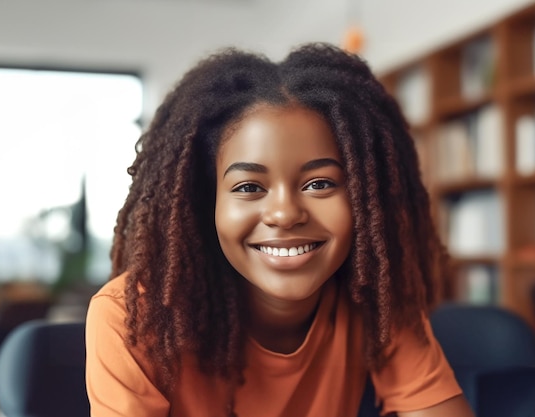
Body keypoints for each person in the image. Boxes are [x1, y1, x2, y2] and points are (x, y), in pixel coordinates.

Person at [85, 42, 475, 417]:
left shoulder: (378, 300)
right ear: (208, 202)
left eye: (320, 183)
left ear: (365, 199)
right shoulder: (131, 318)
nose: (285, 214)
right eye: (249, 188)